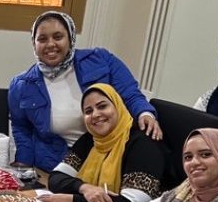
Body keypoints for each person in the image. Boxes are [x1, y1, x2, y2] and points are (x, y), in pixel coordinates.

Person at [9, 11, 160, 172]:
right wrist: (23, 167)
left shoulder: (101, 60)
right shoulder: (22, 85)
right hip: (56, 165)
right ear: (34, 44)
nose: (50, 44)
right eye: (42, 39)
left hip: (110, 157)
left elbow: (130, 93)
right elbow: (21, 127)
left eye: (58, 37)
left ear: (71, 38)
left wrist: (145, 113)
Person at [41, 84, 168, 202]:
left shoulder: (143, 144)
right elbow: (56, 178)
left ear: (118, 106)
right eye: (88, 111)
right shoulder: (91, 139)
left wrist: (71, 200)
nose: (95, 114)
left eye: (102, 106)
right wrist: (85, 188)